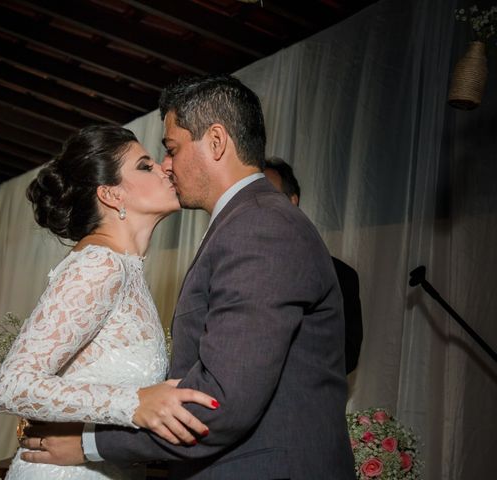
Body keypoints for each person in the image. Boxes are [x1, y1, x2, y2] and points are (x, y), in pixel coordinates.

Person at [20, 75, 356, 479]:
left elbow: (221, 402)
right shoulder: (247, 223)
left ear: (215, 141)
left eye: (171, 149)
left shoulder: (258, 227)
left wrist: (90, 443)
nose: (166, 165)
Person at [0, 125, 216, 480]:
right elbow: (11, 386)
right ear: (111, 195)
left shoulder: (125, 268)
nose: (166, 168)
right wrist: (134, 403)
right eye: (145, 166)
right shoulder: (100, 263)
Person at [264, 157, 364, 374]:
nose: (258, 205)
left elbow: (347, 354)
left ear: (292, 202)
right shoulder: (233, 267)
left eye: (268, 196)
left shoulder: (340, 276)